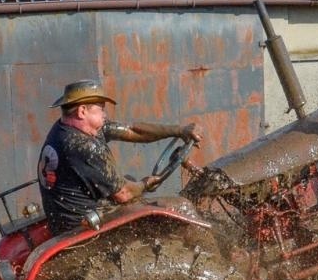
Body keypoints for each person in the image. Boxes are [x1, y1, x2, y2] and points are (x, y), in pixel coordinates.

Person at [38, 79, 202, 234]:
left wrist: (179, 131)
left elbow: (133, 131)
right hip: (81, 226)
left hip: (67, 218)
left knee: (128, 180)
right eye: (101, 108)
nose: (105, 115)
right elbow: (124, 194)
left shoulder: (65, 129)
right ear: (82, 111)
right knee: (181, 207)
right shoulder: (83, 146)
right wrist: (146, 184)